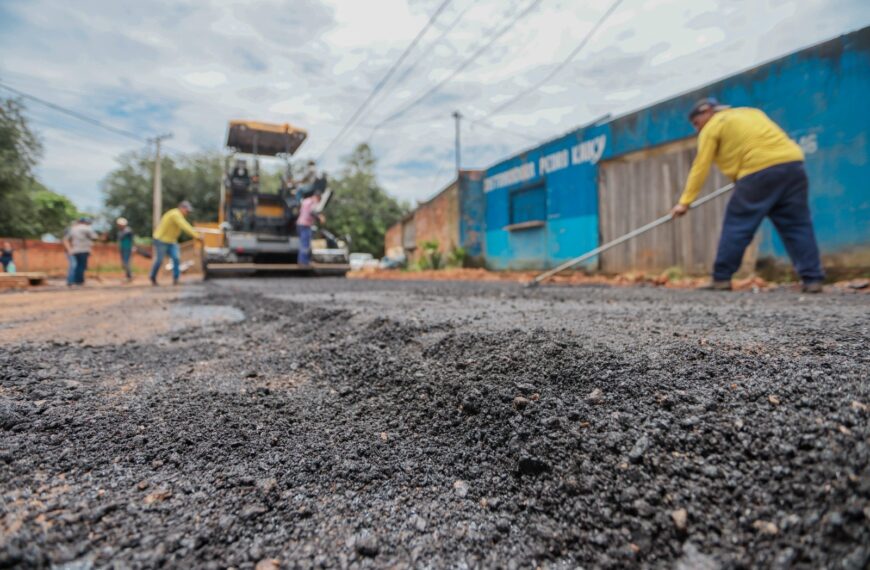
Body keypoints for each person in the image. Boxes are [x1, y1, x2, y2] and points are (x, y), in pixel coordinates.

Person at [670, 98, 824, 293]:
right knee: (797, 226)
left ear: (707, 112)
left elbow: (700, 167)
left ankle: (721, 278)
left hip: (757, 171)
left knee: (737, 225)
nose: (696, 128)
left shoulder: (713, 125)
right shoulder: (751, 113)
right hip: (792, 166)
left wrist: (684, 202)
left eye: (696, 123)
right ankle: (813, 279)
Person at [150, 200, 200, 286]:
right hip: (161, 240)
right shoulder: (175, 214)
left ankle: (176, 279)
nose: (187, 213)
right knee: (159, 260)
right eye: (187, 210)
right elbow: (184, 225)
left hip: (172, 241)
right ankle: (152, 277)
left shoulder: (179, 215)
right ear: (181, 208)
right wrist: (196, 235)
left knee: (176, 258)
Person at [63, 217, 99, 286]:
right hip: (83, 250)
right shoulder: (87, 228)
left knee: (76, 266)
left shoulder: (73, 229)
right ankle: (79, 281)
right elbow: (95, 237)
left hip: (74, 250)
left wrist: (69, 249)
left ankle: (74, 281)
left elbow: (65, 239)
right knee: (81, 266)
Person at [296, 192, 324, 267]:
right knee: (306, 244)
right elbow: (312, 212)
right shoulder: (313, 201)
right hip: (305, 224)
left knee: (303, 243)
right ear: (318, 197)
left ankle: (303, 261)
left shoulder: (305, 201)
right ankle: (304, 262)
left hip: (300, 223)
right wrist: (320, 217)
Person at [116, 217, 134, 281]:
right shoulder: (121, 231)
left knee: (126, 262)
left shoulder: (127, 230)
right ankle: (128, 275)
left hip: (127, 248)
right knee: (124, 263)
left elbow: (126, 236)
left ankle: (129, 276)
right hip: (122, 248)